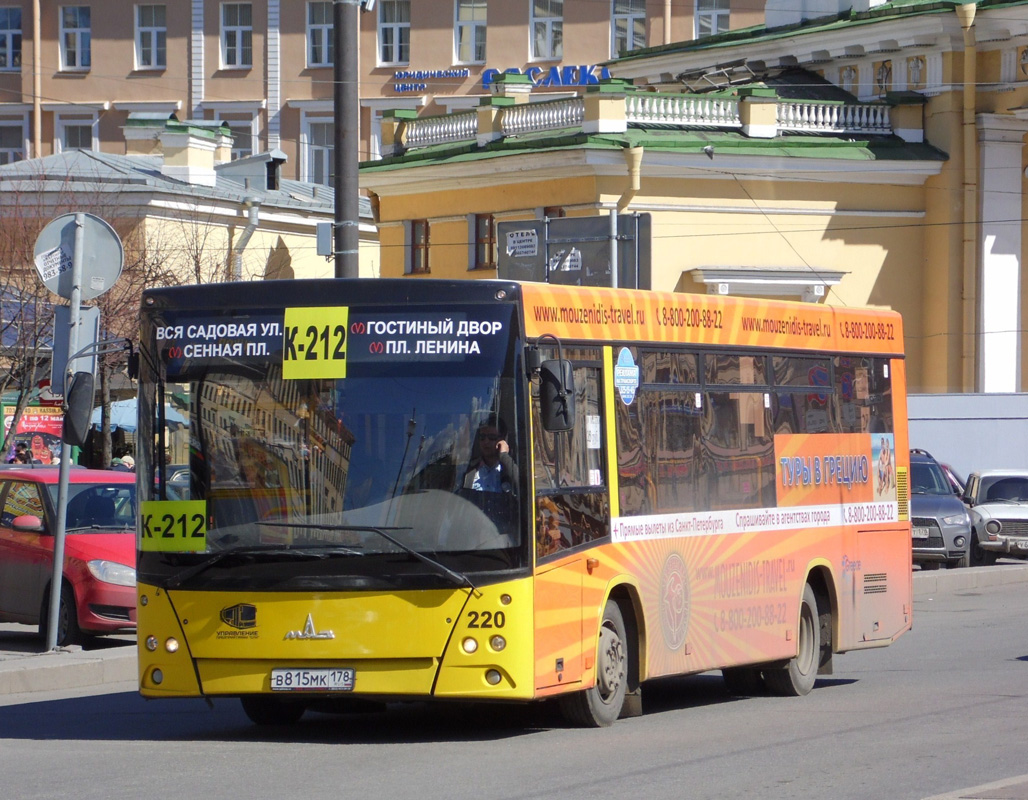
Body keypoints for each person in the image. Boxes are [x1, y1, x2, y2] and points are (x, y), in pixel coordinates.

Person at [463, 414, 517, 495]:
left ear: (502, 440)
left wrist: (504, 456)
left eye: (492, 437)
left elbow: (523, 486)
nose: (486, 441)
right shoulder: (469, 469)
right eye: (482, 437)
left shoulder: (511, 468)